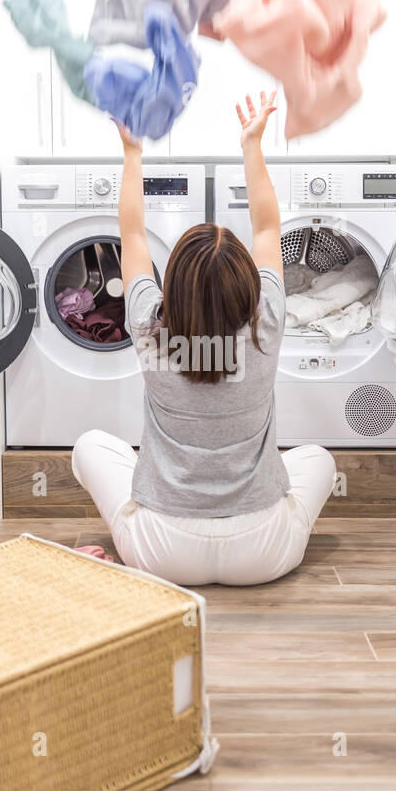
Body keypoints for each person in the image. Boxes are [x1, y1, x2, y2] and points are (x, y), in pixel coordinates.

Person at [71, 91, 337, 586]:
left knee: (88, 446)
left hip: (162, 552)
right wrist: (251, 146)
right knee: (319, 459)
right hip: (263, 552)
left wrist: (133, 153)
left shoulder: (148, 323)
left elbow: (130, 236)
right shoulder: (268, 321)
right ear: (247, 287)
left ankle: (153, 503)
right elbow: (268, 228)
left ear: (170, 284)